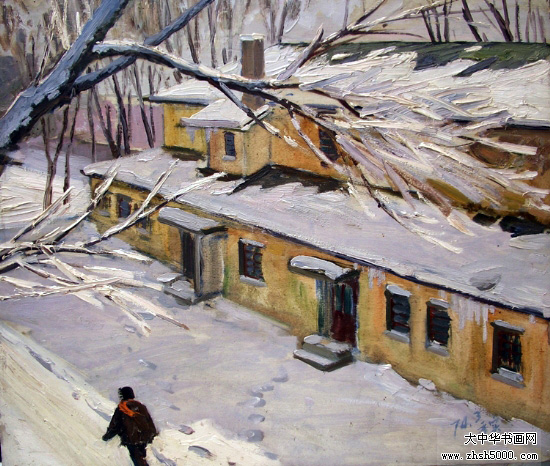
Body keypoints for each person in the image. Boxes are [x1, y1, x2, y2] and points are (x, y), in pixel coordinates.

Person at [102, 386, 158, 466]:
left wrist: (107, 436)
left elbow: (115, 425)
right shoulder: (141, 407)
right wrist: (151, 435)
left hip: (131, 439)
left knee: (137, 459)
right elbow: (149, 422)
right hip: (144, 438)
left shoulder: (121, 408)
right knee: (141, 458)